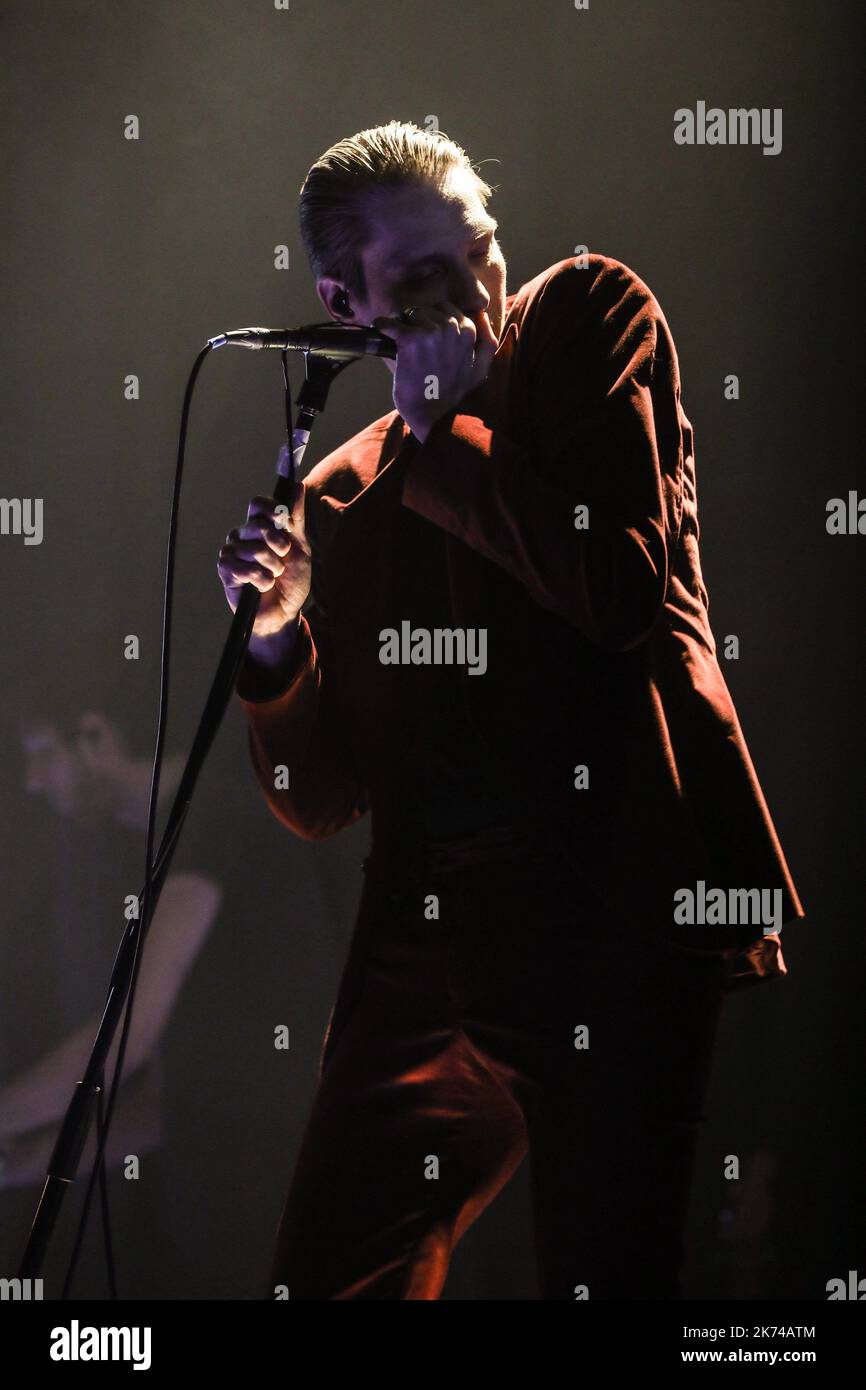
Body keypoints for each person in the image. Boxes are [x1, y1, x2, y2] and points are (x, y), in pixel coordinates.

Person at [217, 120, 804, 1300]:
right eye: (421, 279)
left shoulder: (585, 317)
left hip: (607, 903)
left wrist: (448, 431)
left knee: (610, 1266)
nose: (468, 295)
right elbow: (320, 800)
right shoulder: (345, 489)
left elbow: (618, 586)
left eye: (476, 251)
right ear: (345, 298)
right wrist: (275, 638)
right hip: (422, 932)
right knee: (333, 1273)